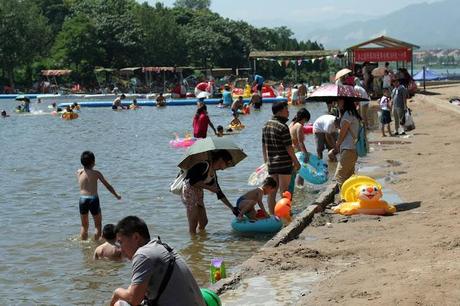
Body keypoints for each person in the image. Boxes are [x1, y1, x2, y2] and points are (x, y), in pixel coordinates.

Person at [110, 216, 205, 306]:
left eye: (121, 242)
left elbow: (134, 299)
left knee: (120, 304)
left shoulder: (142, 255)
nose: (121, 249)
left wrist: (117, 292)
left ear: (136, 237)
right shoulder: (162, 247)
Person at [181, 150, 239, 234]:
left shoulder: (213, 174)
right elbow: (192, 181)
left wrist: (232, 208)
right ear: (221, 160)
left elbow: (219, 193)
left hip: (198, 192)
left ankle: (199, 242)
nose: (224, 168)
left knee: (204, 222)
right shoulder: (203, 165)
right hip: (188, 191)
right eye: (226, 164)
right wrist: (209, 188)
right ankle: (193, 238)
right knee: (193, 222)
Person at [262, 102, 301, 214]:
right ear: (280, 111)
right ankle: (285, 215)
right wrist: (296, 162)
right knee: (285, 192)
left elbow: (264, 146)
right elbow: (289, 148)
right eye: (286, 110)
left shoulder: (266, 125)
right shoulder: (282, 126)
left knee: (271, 193)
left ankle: (273, 216)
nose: (288, 112)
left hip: (272, 164)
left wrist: (266, 161)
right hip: (284, 164)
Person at [77, 151, 121, 240]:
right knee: (97, 225)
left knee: (84, 225)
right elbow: (107, 185)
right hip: (93, 199)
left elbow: (82, 171)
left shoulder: (79, 172)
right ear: (93, 162)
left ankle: (83, 242)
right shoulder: (96, 173)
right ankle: (96, 243)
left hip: (82, 199)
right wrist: (116, 195)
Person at [334, 99, 362, 189]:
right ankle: (350, 197)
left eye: (339, 101)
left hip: (348, 148)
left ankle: (343, 198)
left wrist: (337, 144)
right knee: (349, 176)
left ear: (345, 102)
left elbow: (343, 132)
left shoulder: (348, 114)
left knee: (339, 175)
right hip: (352, 148)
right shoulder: (351, 113)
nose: (337, 102)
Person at [289, 108, 311, 187]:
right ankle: (300, 187)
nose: (305, 123)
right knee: (302, 171)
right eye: (306, 120)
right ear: (304, 118)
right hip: (297, 152)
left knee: (293, 173)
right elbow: (300, 142)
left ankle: (293, 189)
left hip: (291, 151)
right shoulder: (299, 126)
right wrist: (306, 154)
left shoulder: (292, 124)